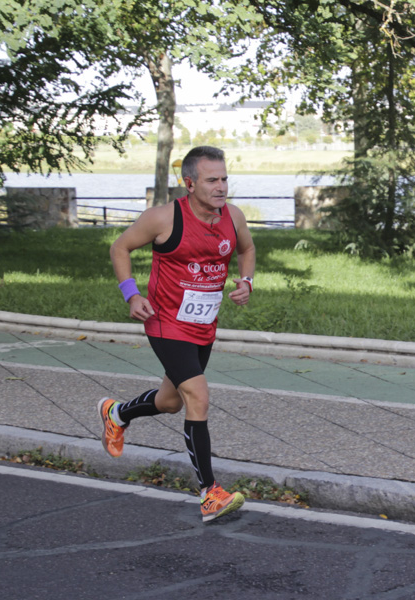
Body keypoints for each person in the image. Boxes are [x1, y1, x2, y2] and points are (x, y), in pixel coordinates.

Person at [98, 145, 255, 523]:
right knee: (198, 397)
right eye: (212, 180)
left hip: (204, 325)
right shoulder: (163, 218)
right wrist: (131, 294)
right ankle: (209, 494)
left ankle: (117, 414)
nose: (221, 187)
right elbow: (120, 247)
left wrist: (246, 281)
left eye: (224, 178)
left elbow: (247, 250)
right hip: (166, 322)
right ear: (189, 183)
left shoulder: (233, 217)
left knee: (171, 402)